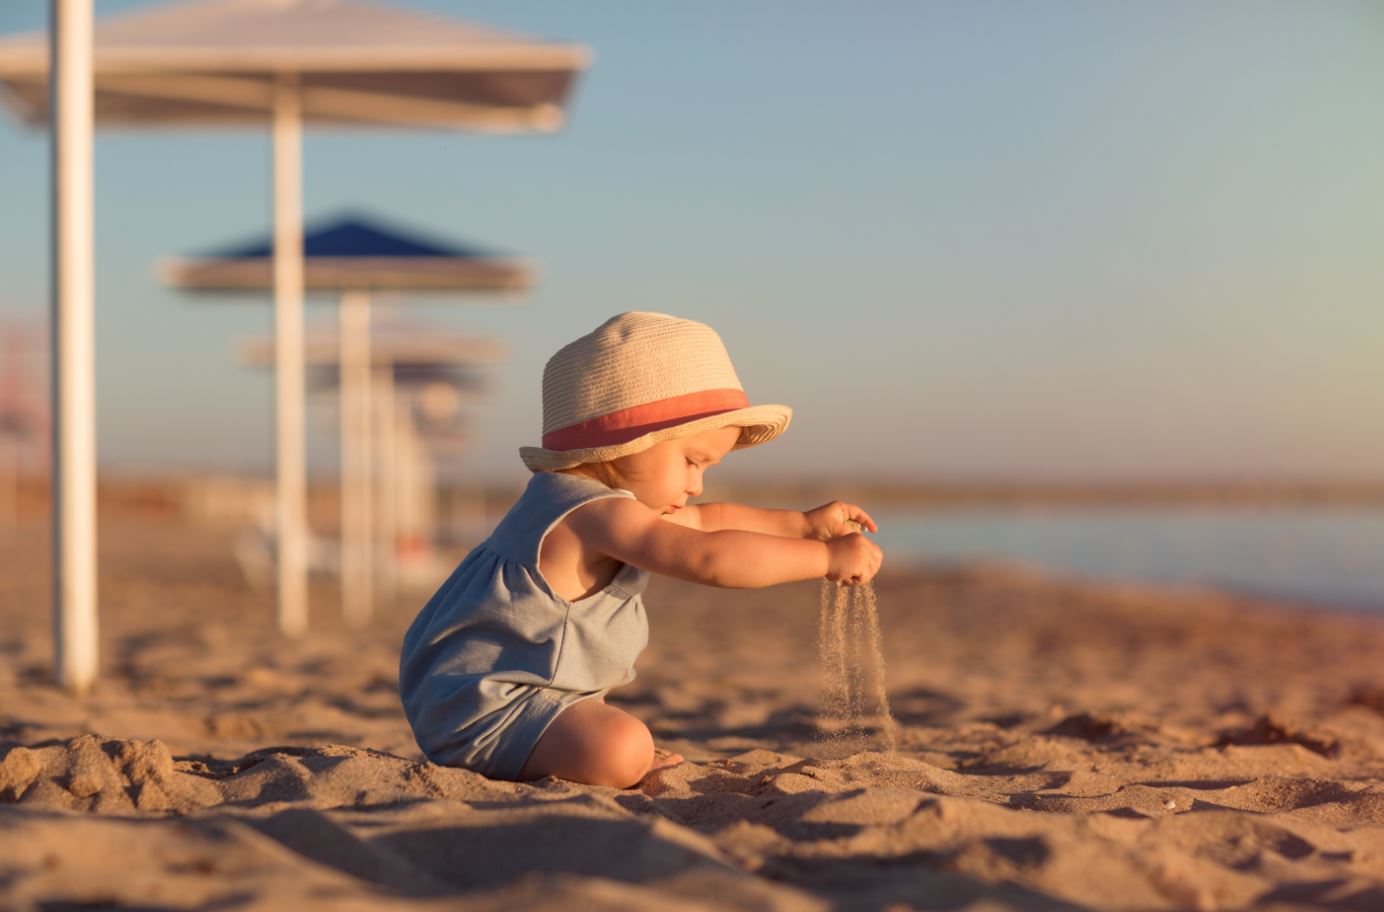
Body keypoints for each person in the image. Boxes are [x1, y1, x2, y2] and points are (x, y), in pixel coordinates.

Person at [398, 312, 883, 789]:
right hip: (490, 709)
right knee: (624, 748)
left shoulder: (578, 499)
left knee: (617, 735)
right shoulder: (594, 514)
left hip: (487, 696)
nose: (696, 484)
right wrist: (825, 560)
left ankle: (574, 735)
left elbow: (710, 520)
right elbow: (708, 556)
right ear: (626, 443)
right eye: (692, 461)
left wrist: (800, 525)